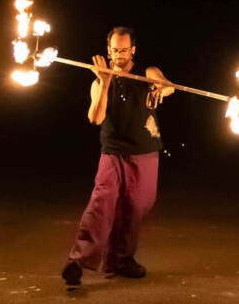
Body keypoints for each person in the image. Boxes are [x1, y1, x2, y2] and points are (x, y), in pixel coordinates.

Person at [61, 26, 175, 286]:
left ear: (132, 50)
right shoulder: (99, 81)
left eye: (123, 50)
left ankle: (122, 260)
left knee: (136, 207)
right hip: (113, 153)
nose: (118, 56)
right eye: (114, 50)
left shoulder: (146, 71)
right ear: (108, 50)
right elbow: (95, 117)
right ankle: (78, 261)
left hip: (145, 152)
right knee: (101, 203)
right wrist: (105, 82)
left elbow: (167, 86)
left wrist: (160, 87)